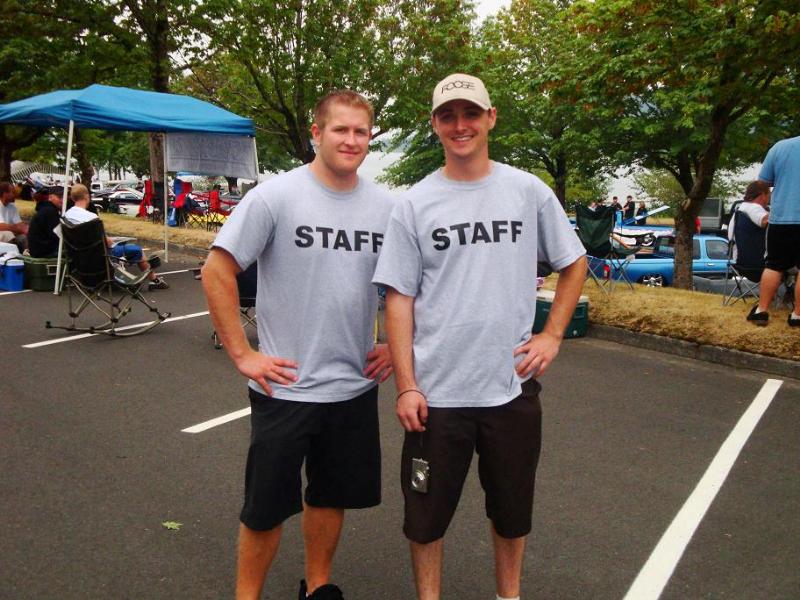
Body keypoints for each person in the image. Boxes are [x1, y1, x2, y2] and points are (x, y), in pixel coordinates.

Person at [372, 73, 587, 600]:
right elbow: (398, 298)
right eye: (448, 116)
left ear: (491, 118)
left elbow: (574, 261)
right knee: (425, 518)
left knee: (512, 513)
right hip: (436, 396)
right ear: (434, 125)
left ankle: (508, 595)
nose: (460, 125)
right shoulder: (415, 204)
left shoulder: (527, 192)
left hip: (509, 389)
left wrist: (552, 335)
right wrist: (406, 385)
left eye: (471, 113)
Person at [202, 89, 394, 600]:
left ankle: (318, 586)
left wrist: (398, 346)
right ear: (316, 133)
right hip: (285, 386)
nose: (351, 140)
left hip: (352, 386)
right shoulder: (276, 196)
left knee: (330, 496)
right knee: (265, 508)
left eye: (360, 131)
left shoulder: (387, 207)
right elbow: (217, 270)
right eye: (340, 129)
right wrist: (243, 353)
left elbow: (408, 287)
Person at [64, 184, 168, 290]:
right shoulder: (91, 218)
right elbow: (106, 242)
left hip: (79, 259)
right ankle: (154, 280)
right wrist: (112, 241)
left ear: (72, 198)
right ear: (87, 196)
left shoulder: (66, 216)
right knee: (136, 250)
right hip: (101, 257)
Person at [750, 135, 800, 327]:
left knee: (774, 265)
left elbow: (762, 183)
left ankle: (761, 311)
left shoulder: (780, 147)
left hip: (781, 218)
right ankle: (797, 315)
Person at [27, 186, 65, 258]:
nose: (63, 200)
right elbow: (56, 235)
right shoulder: (49, 211)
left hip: (39, 249)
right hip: (43, 251)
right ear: (50, 197)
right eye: (59, 197)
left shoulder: (46, 209)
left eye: (64, 197)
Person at [0, 181, 28, 251]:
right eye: (13, 192)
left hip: (11, 234)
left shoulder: (12, 207)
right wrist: (18, 229)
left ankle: (29, 254)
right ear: (5, 194)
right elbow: (1, 226)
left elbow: (20, 224)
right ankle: (13, 254)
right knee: (8, 234)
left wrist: (26, 229)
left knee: (24, 237)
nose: (16, 194)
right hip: (6, 234)